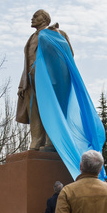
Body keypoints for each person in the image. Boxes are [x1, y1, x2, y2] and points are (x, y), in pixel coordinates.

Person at [16, 9, 73, 151]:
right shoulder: (31, 38)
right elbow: (27, 61)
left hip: (50, 80)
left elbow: (68, 55)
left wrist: (55, 36)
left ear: (45, 19)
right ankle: (36, 141)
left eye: (36, 16)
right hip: (32, 80)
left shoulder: (56, 33)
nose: (32, 18)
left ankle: (51, 141)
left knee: (51, 108)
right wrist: (22, 84)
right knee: (34, 111)